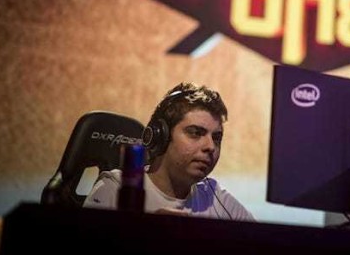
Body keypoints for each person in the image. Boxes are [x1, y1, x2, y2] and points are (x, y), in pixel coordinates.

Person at [83, 82, 255, 221]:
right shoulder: (113, 189)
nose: (210, 146)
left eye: (216, 138)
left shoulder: (216, 197)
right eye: (196, 133)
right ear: (161, 136)